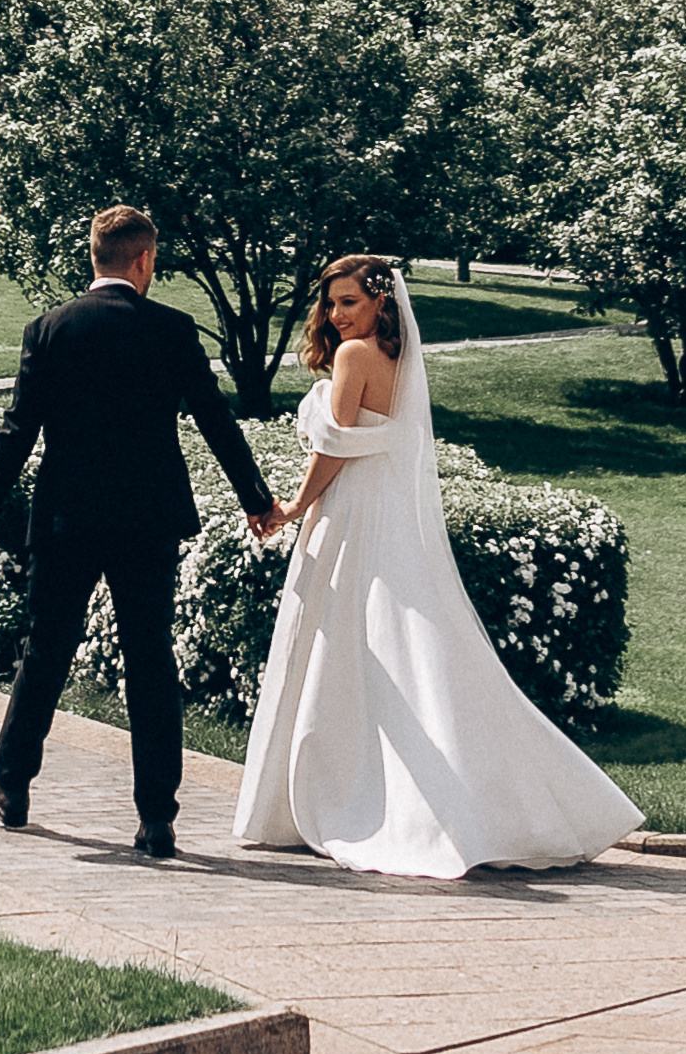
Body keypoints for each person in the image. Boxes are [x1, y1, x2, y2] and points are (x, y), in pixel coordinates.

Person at [234, 252, 644, 877]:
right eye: (332, 302)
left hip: (351, 518)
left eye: (350, 301)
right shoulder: (402, 360)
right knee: (411, 650)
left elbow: (336, 446)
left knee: (349, 648)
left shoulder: (354, 358)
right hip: (388, 518)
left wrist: (291, 509)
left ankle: (347, 798)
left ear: (380, 302)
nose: (337, 314)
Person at [0, 201, 283, 858]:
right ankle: (156, 818)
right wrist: (256, 498)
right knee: (149, 657)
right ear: (143, 261)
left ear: (94, 259)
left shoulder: (49, 329)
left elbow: (16, 434)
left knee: (47, 648)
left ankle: (12, 783)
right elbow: (216, 422)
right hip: (147, 515)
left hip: (66, 515)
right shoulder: (172, 329)